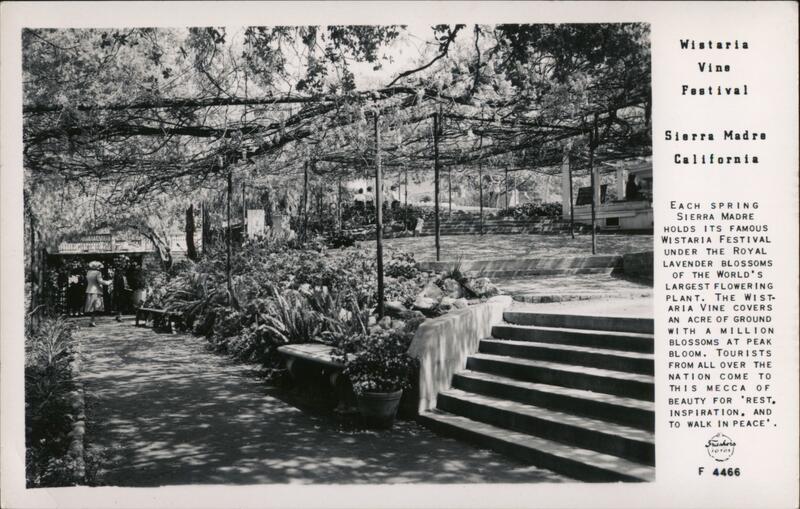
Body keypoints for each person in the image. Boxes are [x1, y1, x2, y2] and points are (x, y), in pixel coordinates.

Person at [84, 260, 112, 327]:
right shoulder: (98, 273)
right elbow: (100, 281)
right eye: (99, 266)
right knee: (95, 306)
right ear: (96, 267)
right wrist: (108, 282)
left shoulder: (88, 272)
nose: (100, 268)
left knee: (92, 307)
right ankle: (92, 321)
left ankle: (92, 320)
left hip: (89, 290)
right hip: (95, 290)